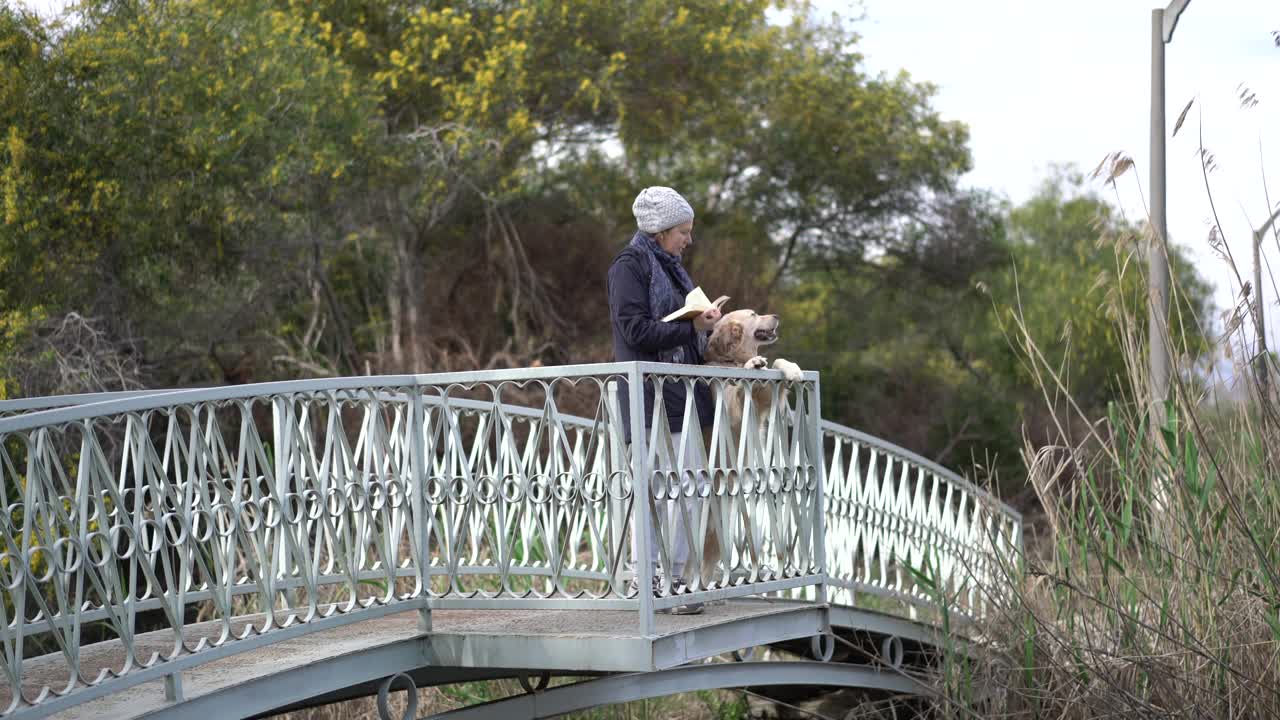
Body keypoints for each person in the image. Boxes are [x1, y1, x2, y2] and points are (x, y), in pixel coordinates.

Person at [607, 186, 719, 615]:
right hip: (648, 395)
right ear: (660, 230)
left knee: (688, 488)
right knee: (655, 491)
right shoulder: (629, 266)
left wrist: (706, 326)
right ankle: (649, 579)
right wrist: (690, 328)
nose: (688, 240)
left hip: (681, 395)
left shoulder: (671, 268)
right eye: (683, 232)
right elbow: (635, 331)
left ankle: (674, 578)